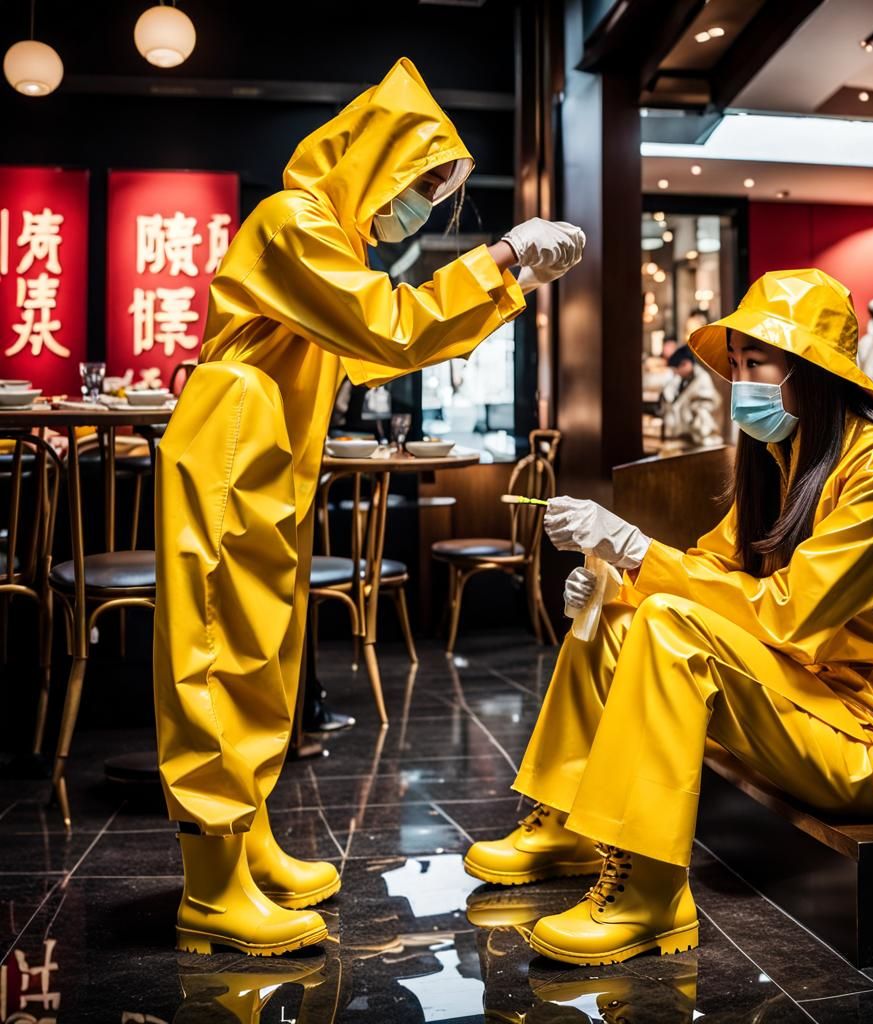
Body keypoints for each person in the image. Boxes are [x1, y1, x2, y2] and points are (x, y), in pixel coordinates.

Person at [153, 56, 584, 958]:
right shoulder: (291, 221)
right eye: (419, 186)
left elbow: (381, 349)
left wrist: (504, 279)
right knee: (216, 646)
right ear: (372, 161)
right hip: (234, 440)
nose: (419, 208)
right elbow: (388, 328)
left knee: (264, 648)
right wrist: (502, 261)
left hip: (268, 445)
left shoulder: (329, 242)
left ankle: (251, 840)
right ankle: (210, 884)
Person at [463, 268, 873, 967]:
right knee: (623, 612)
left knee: (667, 621)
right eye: (735, 364)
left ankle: (651, 892)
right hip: (810, 696)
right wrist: (617, 579)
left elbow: (793, 616)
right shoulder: (787, 456)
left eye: (756, 362)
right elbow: (714, 572)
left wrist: (640, 553)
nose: (740, 381)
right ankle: (573, 823)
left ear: (813, 371)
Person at [657, 344, 723, 449]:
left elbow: (709, 404)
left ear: (686, 364)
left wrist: (694, 415)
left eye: (678, 368)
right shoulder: (682, 379)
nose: (677, 372)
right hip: (684, 435)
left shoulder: (702, 379)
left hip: (701, 436)